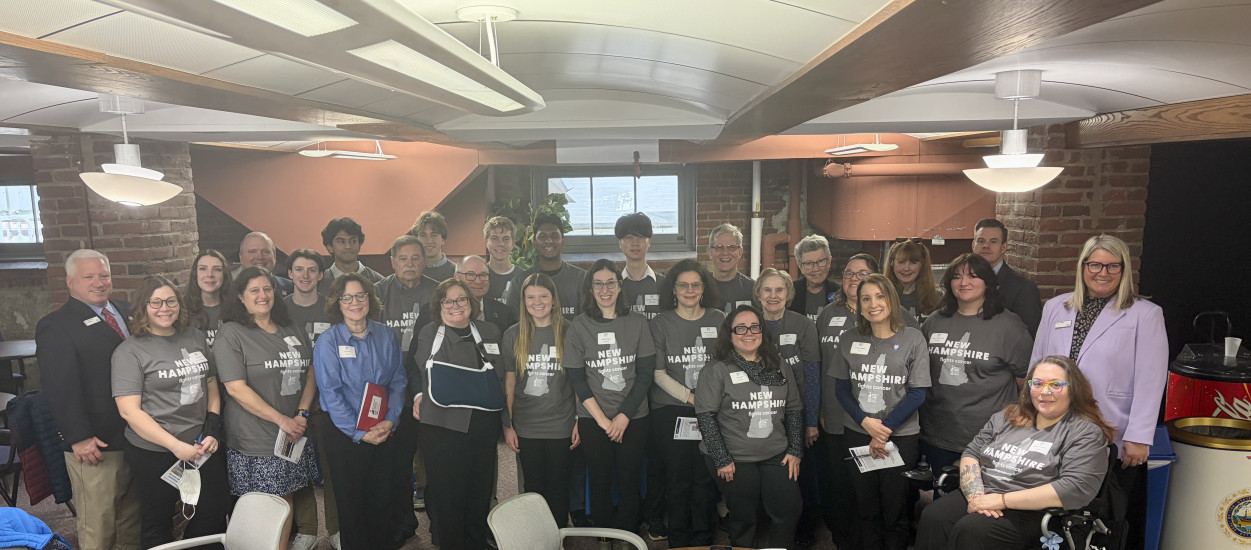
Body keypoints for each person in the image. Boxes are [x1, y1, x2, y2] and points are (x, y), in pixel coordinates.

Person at [1029, 234, 1168, 549]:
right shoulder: (1055, 308)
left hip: (1112, 431)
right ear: (1082, 267)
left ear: (1124, 270)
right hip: (1055, 426)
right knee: (1054, 510)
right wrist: (1030, 416)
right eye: (1095, 264)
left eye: (1112, 266)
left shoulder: (1145, 313)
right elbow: (1036, 365)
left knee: (1104, 514)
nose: (1102, 273)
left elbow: (1151, 378)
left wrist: (1139, 436)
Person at [916, 356, 1115, 550]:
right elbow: (972, 452)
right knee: (934, 517)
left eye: (1055, 385)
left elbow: (1074, 488)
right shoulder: (1007, 416)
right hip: (985, 492)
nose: (1045, 392)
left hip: (1037, 509)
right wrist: (977, 498)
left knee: (972, 530)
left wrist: (1001, 500)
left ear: (1073, 389)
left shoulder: (1085, 432)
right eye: (1037, 383)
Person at [112, 276, 229, 549]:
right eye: (156, 302)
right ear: (143, 307)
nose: (164, 308)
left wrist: (212, 429)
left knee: (215, 507)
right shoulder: (129, 352)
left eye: (171, 301)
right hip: (154, 450)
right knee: (158, 520)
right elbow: (129, 412)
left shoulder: (195, 336)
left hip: (201, 445)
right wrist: (176, 446)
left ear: (180, 305)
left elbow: (210, 383)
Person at [37, 249, 141, 549]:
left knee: (132, 521)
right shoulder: (56, 325)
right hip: (95, 443)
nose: (99, 282)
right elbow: (59, 386)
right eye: (89, 276)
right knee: (99, 523)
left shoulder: (128, 310)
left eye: (104, 275)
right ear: (70, 282)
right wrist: (78, 437)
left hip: (137, 436)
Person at [215, 267, 319, 550]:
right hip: (255, 438)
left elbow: (310, 371)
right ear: (240, 296)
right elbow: (235, 388)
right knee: (259, 507)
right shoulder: (231, 333)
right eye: (254, 290)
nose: (263, 295)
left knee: (285, 501)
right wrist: (282, 420)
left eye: (267, 288)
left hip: (293, 433)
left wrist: (302, 414)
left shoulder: (290, 326)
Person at [830, 273, 930, 550]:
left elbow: (917, 392)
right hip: (858, 433)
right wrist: (866, 423)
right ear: (859, 305)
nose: (873, 304)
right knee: (866, 507)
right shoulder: (849, 339)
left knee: (895, 509)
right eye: (866, 298)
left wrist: (882, 430)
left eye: (879, 296)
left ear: (891, 299)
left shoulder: (913, 338)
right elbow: (841, 390)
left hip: (900, 436)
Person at [694, 304, 803, 549]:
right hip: (735, 458)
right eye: (740, 328)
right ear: (729, 334)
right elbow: (706, 416)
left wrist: (796, 449)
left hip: (777, 454)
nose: (748, 333)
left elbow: (794, 408)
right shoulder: (716, 370)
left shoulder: (779, 364)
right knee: (744, 517)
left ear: (762, 331)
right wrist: (721, 458)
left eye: (754, 327)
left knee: (789, 508)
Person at [410, 279, 506, 550]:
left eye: (461, 299)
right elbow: (421, 372)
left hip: (482, 423)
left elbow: (499, 374)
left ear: (471, 303)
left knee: (479, 488)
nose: (455, 306)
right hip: (442, 425)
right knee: (447, 493)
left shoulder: (489, 331)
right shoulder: (430, 333)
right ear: (439, 306)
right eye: (448, 301)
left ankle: (476, 541)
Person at [313, 273, 407, 550]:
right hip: (345, 435)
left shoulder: (386, 335)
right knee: (352, 504)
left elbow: (398, 380)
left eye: (361, 295)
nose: (355, 302)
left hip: (382, 429)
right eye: (347, 297)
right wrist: (359, 431)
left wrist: (391, 419)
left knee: (382, 498)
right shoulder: (328, 342)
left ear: (370, 299)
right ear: (337, 303)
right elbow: (330, 393)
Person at [563, 259, 656, 535]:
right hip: (594, 419)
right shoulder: (578, 326)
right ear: (590, 289)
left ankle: (626, 536)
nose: (605, 289)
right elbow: (577, 379)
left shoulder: (638, 323)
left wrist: (624, 416)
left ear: (619, 285)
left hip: (634, 417)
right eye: (598, 283)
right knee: (600, 481)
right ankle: (604, 537)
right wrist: (604, 421)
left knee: (628, 481)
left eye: (610, 282)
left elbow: (645, 374)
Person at [919, 253, 1033, 471]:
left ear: (988, 282)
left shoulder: (1009, 326)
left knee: (980, 501)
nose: (964, 283)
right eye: (957, 276)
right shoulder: (934, 321)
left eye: (973, 276)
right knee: (942, 499)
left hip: (988, 437)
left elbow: (1025, 380)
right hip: (937, 433)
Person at [648, 259, 724, 547]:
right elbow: (658, 374)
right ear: (674, 289)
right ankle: (679, 540)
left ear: (703, 288)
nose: (689, 290)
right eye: (683, 285)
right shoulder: (661, 323)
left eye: (695, 284)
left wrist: (707, 403)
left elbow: (727, 367)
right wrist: (693, 398)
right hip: (672, 409)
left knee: (705, 476)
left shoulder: (718, 319)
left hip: (711, 410)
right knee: (678, 477)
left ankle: (703, 537)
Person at [500, 273, 578, 527]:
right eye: (530, 297)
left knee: (558, 484)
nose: (537, 301)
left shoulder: (569, 331)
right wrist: (507, 424)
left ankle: (557, 536)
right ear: (523, 302)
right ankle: (538, 537)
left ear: (554, 299)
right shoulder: (513, 334)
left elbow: (579, 381)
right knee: (533, 486)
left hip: (561, 422)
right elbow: (509, 383)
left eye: (543, 295)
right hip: (526, 423)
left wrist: (579, 419)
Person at [814, 252, 880, 549]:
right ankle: (843, 540)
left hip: (874, 420)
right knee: (838, 485)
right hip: (834, 416)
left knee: (868, 488)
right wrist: (818, 409)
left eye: (862, 273)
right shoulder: (828, 313)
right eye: (849, 273)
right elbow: (817, 365)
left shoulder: (893, 314)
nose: (854, 279)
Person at [753, 268, 822, 546]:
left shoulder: (803, 325)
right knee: (764, 474)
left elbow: (813, 375)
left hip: (797, 412)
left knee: (800, 476)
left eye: (779, 290)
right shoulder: (749, 323)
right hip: (759, 412)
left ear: (788, 294)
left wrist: (811, 421)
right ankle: (764, 532)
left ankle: (803, 534)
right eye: (767, 290)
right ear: (758, 294)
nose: (773, 296)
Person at [375, 235, 433, 542]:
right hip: (392, 389)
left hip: (431, 386)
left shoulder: (439, 292)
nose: (409, 265)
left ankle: (441, 521)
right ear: (393, 262)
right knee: (397, 461)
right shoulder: (378, 294)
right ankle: (402, 523)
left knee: (436, 457)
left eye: (415, 259)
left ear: (425, 261)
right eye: (403, 259)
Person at [282, 249, 339, 550]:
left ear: (320, 274)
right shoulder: (279, 310)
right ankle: (305, 529)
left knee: (334, 466)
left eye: (312, 269)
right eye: (299, 269)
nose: (305, 275)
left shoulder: (333, 309)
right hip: (293, 403)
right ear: (289, 273)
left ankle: (338, 528)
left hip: (331, 402)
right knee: (296, 464)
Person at [507, 212, 588, 321]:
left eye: (554, 236)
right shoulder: (520, 282)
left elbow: (588, 324)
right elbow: (515, 325)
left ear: (563, 241)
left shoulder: (581, 278)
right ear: (535, 243)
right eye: (542, 236)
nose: (549, 241)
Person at [972, 219, 1042, 337]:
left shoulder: (1024, 289)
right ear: (973, 245)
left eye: (993, 242)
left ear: (1004, 247)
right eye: (981, 241)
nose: (986, 246)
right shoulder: (961, 283)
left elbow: (1029, 336)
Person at [616, 213, 662, 320]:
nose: (635, 243)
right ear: (620, 243)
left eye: (640, 237)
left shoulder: (664, 284)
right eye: (628, 237)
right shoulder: (613, 286)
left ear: (649, 242)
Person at [320, 217, 383, 293]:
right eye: (341, 242)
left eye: (353, 241)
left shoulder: (379, 282)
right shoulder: (320, 283)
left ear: (359, 244)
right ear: (329, 247)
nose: (348, 246)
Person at [456, 255, 517, 335]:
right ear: (456, 277)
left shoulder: (503, 312)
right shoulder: (446, 310)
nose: (478, 281)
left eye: (483, 275)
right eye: (470, 275)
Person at [185, 249, 234, 346]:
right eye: (203, 269)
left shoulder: (236, 309)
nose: (210, 274)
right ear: (195, 273)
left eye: (217, 269)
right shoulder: (183, 310)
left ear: (224, 274)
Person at [886, 239, 941, 322]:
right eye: (901, 262)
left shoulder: (937, 297)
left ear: (922, 264)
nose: (906, 268)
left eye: (913, 262)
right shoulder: (881, 296)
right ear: (892, 263)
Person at [707, 223, 754, 313]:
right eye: (719, 247)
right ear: (710, 252)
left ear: (740, 252)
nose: (725, 252)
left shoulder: (752, 289)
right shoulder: (698, 288)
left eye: (731, 247)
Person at [790, 235, 838, 322]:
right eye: (808, 263)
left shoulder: (839, 292)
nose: (816, 269)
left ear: (829, 261)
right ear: (800, 267)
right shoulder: (790, 292)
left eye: (820, 261)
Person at [237, 232, 295, 296]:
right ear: (241, 257)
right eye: (252, 252)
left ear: (274, 257)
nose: (260, 257)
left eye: (265, 252)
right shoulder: (230, 290)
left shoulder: (293, 288)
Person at [410, 211, 457, 282]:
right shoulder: (410, 273)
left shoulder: (457, 272)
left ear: (443, 240)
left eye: (434, 235)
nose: (429, 241)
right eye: (423, 235)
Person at [483, 216, 519, 306]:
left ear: (513, 243)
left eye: (506, 239)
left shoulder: (523, 278)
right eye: (495, 238)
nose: (501, 244)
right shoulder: (478, 277)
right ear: (486, 242)